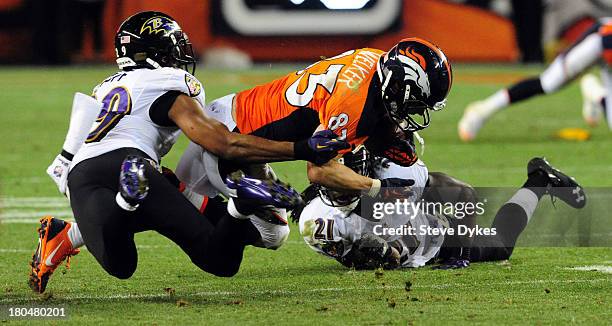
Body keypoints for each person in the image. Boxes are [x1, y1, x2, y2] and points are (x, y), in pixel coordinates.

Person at [30, 11, 347, 294]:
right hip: (135, 163)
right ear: (156, 52)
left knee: (121, 263)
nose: (181, 54)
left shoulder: (107, 86)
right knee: (219, 259)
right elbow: (222, 143)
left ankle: (121, 204)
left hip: (85, 174)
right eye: (174, 46)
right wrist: (301, 148)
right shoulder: (169, 83)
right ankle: (239, 205)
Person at [176, 37, 453, 208]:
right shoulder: (353, 105)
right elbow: (319, 171)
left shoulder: (374, 58)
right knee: (260, 231)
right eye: (415, 101)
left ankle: (172, 189)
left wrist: (379, 134)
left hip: (243, 123)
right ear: (397, 84)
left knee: (183, 199)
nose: (414, 111)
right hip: (233, 135)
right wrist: (379, 189)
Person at [297, 147, 586, 269]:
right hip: (394, 228)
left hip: (430, 232)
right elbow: (346, 255)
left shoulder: (398, 184)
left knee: (501, 243)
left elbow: (464, 193)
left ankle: (538, 180)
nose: (339, 190)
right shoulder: (315, 219)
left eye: (344, 182)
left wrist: (459, 252)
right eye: (334, 183)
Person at [458, 18, 612, 142]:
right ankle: (482, 110)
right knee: (549, 83)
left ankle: (595, 92)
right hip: (599, 43)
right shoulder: (597, 43)